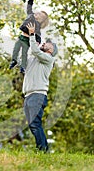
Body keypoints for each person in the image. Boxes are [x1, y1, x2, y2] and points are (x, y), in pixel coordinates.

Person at [22, 22, 58, 152]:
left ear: (51, 50)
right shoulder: (36, 59)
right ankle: (42, 149)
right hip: (28, 95)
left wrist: (32, 34)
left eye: (47, 43)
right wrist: (26, 37)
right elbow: (25, 57)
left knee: (35, 124)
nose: (45, 43)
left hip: (37, 95)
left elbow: (36, 50)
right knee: (33, 125)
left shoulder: (49, 59)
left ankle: (43, 150)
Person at [9, 0, 49, 74]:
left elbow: (38, 35)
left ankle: (23, 67)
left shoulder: (37, 25)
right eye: (38, 13)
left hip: (27, 40)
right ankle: (14, 60)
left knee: (24, 53)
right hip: (21, 37)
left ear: (41, 21)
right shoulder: (30, 14)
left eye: (40, 16)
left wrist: (37, 42)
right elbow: (29, 6)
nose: (38, 14)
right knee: (16, 49)